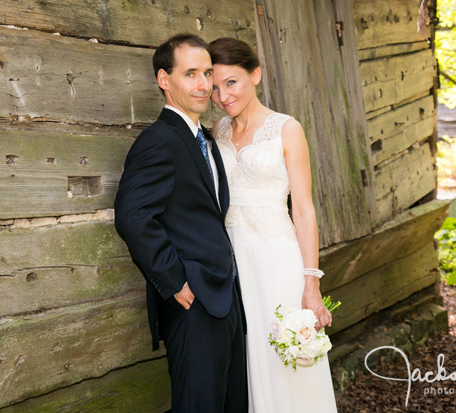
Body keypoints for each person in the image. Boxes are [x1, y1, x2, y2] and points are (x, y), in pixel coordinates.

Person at [114, 34, 248, 412]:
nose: (204, 85)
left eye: (207, 73)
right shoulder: (159, 140)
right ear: (164, 79)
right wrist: (176, 282)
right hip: (193, 303)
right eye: (190, 74)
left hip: (226, 298)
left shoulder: (203, 139)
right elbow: (132, 216)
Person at [208, 37, 338, 412]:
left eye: (231, 82)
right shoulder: (217, 130)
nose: (223, 95)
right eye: (215, 87)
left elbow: (304, 210)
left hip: (276, 259)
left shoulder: (287, 128)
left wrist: (311, 284)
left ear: (256, 74)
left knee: (286, 358)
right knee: (247, 362)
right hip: (233, 263)